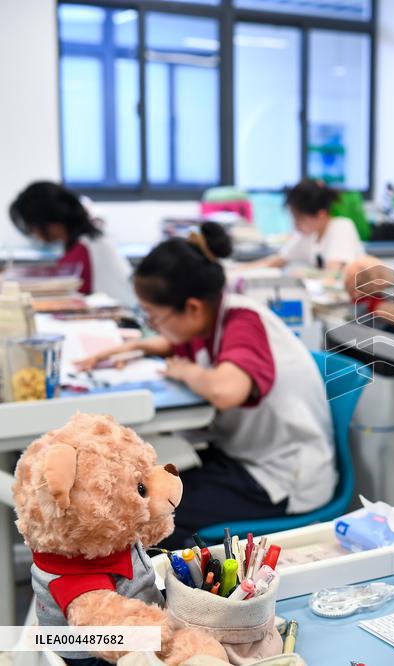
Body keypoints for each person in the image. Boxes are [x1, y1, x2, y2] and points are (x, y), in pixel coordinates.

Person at [75, 223, 334, 548]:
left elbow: (226, 390)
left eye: (156, 317)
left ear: (193, 307)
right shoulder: (213, 319)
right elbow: (175, 344)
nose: (154, 325)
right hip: (243, 457)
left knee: (149, 512)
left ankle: (165, 595)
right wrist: (133, 347)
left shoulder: (243, 321)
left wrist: (184, 372)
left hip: (281, 478)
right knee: (137, 488)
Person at [8, 181, 135, 305]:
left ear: (50, 222)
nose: (33, 233)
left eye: (33, 226)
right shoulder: (91, 241)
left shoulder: (83, 250)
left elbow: (63, 291)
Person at [251, 179, 364, 273]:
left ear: (321, 215)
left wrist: (304, 274)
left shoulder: (341, 227)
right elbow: (277, 261)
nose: (296, 225)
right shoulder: (309, 234)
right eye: (294, 218)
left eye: (300, 219)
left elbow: (333, 272)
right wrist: (238, 271)